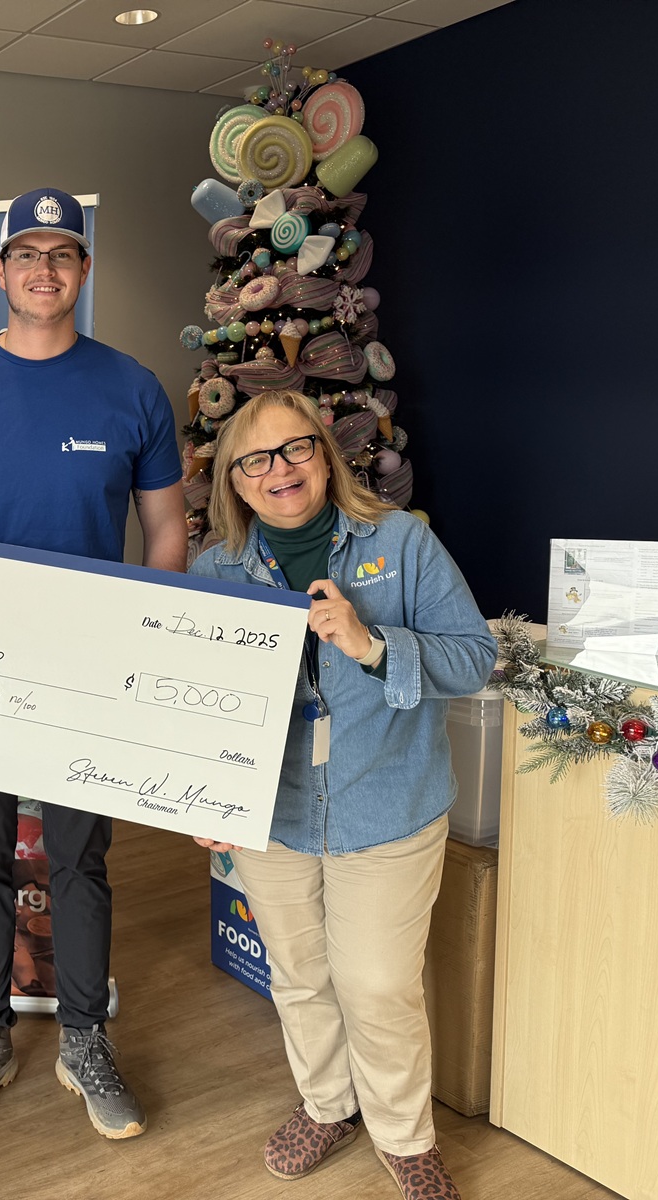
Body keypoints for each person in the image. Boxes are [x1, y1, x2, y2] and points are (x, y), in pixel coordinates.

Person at [0, 187, 188, 1140]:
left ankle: (84, 1039)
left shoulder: (132, 387)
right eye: (26, 254)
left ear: (83, 272)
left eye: (63, 253)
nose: (44, 269)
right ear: (1, 274)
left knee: (79, 860)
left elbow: (167, 523)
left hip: (84, 670)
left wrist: (146, 626)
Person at [187, 389, 495, 1200]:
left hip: (386, 802)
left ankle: (404, 1134)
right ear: (235, 482)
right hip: (273, 814)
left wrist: (371, 644)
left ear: (323, 455)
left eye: (296, 449)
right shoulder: (216, 568)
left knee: (377, 983)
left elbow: (473, 659)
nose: (279, 470)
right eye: (256, 459)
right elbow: (196, 702)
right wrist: (202, 796)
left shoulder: (402, 543)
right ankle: (329, 1105)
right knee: (299, 974)